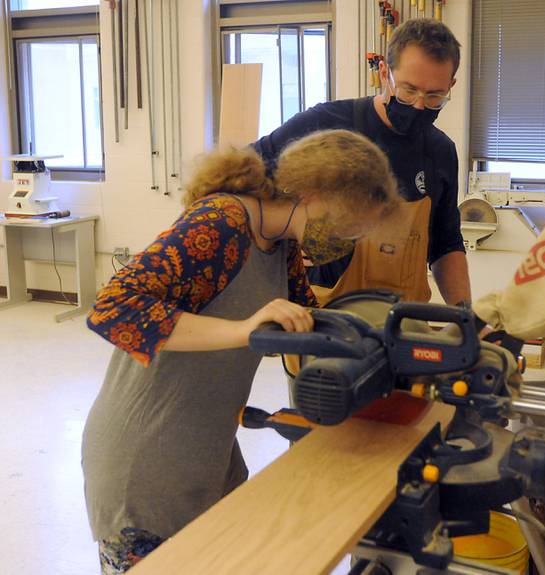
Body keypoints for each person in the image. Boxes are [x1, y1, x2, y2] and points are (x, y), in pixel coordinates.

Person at [82, 130, 399, 574]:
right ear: (312, 193)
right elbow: (112, 308)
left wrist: (387, 344)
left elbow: (309, 325)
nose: (347, 237)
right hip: (146, 460)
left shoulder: (281, 243)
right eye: (348, 222)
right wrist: (243, 330)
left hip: (208, 449)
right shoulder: (222, 222)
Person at [253, 18, 470, 307]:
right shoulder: (325, 123)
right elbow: (242, 172)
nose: (419, 105)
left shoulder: (440, 151)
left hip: (402, 320)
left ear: (450, 85)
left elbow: (446, 245)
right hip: (325, 321)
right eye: (408, 90)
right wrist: (286, 236)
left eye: (434, 96)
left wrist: (467, 318)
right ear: (384, 73)